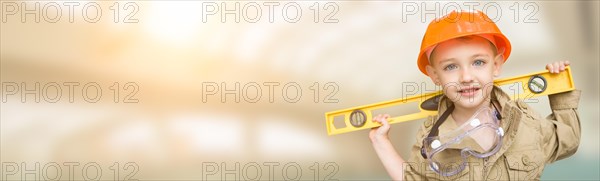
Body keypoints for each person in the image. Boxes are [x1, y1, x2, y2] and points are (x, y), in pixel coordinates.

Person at [369, 10, 581, 180]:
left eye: (478, 62)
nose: (466, 76)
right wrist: (381, 141)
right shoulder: (432, 140)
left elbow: (567, 141)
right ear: (435, 76)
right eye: (451, 67)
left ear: (496, 65)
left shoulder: (523, 121)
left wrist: (560, 91)